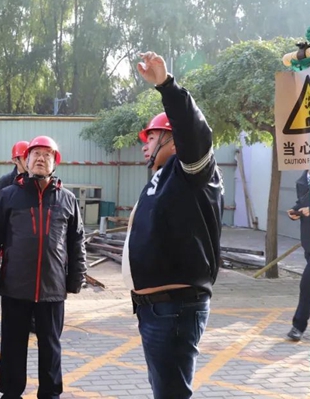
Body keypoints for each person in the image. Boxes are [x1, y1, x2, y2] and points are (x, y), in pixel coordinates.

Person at [121, 52, 223, 399]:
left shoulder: (191, 170)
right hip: (156, 309)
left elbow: (194, 132)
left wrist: (166, 85)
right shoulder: (164, 177)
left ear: (172, 138)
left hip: (174, 309)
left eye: (151, 137)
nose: (145, 145)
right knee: (165, 391)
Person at [0, 135, 87, 399]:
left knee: (51, 347)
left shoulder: (67, 199)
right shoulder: (9, 195)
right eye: (35, 154)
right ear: (26, 161)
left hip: (52, 288)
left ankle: (50, 394)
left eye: (47, 155)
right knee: (12, 345)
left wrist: (76, 278)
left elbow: (77, 240)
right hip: (15, 286)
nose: (41, 159)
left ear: (55, 162)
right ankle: (11, 393)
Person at [286, 170, 310, 341]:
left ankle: (298, 325)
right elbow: (302, 202)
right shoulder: (303, 179)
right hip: (308, 241)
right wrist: (295, 211)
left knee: (307, 283)